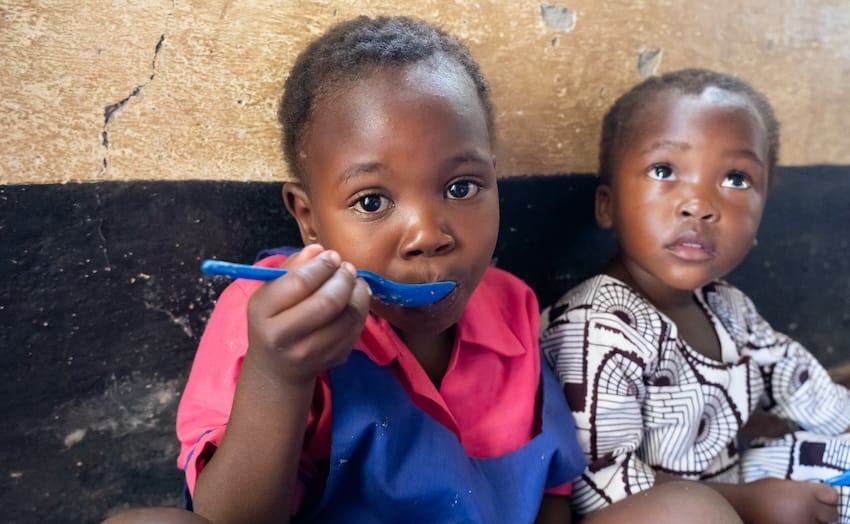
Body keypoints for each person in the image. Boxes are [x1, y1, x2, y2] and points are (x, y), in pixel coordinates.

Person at [102, 20, 746, 524]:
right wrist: (280, 377)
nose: (429, 235)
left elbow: (552, 487)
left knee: (692, 509)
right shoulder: (268, 317)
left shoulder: (513, 309)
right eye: (372, 202)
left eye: (462, 187)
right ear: (308, 219)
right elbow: (230, 522)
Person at [540, 67, 850, 523]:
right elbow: (600, 486)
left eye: (737, 180)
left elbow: (801, 385)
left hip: (729, 483)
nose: (700, 205)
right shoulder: (597, 327)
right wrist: (752, 504)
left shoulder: (729, 309)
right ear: (606, 205)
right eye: (664, 170)